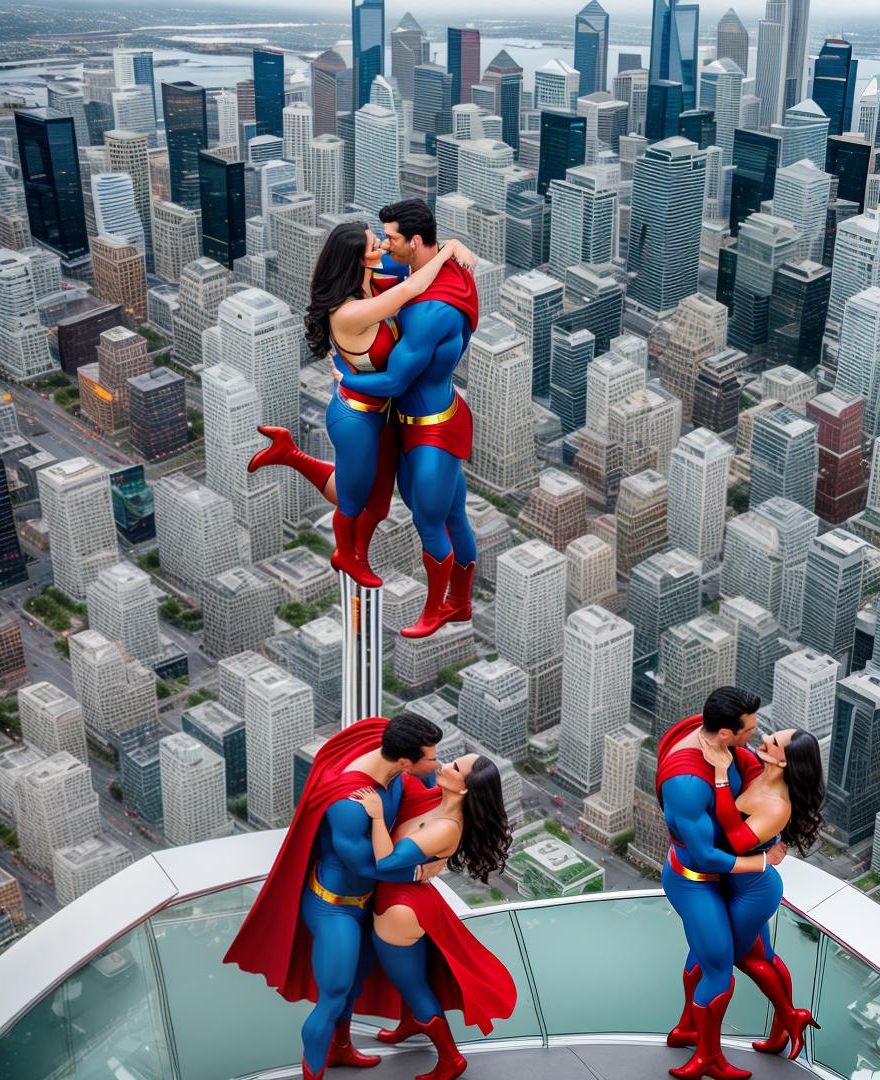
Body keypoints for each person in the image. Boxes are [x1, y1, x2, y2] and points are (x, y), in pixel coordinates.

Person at [247, 221, 475, 588]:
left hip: (381, 415)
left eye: (382, 241)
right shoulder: (349, 311)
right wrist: (451, 248)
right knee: (352, 501)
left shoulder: (368, 282)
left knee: (378, 504)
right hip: (355, 419)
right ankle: (346, 555)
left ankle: (290, 453)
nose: (382, 248)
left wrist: (449, 243)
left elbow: (416, 260)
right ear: (356, 258)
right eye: (374, 244)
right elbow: (414, 286)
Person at [223, 714, 448, 1080]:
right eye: (430, 758)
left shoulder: (391, 752)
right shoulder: (350, 802)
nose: (435, 764)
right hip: (333, 909)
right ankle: (314, 1072)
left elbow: (421, 779)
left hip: (365, 903)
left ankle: (341, 1050)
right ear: (405, 761)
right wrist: (417, 871)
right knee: (333, 997)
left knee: (354, 986)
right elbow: (362, 864)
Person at [329, 199, 480, 638]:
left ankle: (441, 609)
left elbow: (395, 381)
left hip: (431, 429)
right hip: (428, 416)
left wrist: (348, 381)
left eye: (392, 238)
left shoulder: (428, 311)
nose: (386, 246)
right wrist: (452, 246)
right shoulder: (439, 277)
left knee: (431, 519)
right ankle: (462, 601)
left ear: (414, 242)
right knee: (450, 515)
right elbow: (397, 278)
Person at [350, 754, 517, 1080]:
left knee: (412, 984)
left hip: (399, 908)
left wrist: (376, 816)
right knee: (409, 975)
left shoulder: (445, 827)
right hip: (407, 899)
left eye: (456, 768)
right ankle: (412, 1023)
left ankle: (451, 1059)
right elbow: (414, 770)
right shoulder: (441, 805)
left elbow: (385, 863)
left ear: (465, 789)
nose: (446, 765)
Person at [657, 688, 784, 1080]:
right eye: (748, 730)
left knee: (710, 955)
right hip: (695, 881)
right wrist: (762, 858)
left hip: (724, 880)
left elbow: (750, 772)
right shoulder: (686, 783)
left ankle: (688, 1028)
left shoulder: (709, 735)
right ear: (725, 733)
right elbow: (707, 855)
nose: (755, 735)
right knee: (718, 969)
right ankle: (708, 1058)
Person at [707, 727, 824, 1062]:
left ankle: (788, 1016)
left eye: (773, 742)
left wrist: (718, 778)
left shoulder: (777, 805)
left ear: (785, 761)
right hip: (745, 883)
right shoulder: (756, 771)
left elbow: (732, 842)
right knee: (764, 956)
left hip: (754, 890)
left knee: (738, 957)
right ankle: (784, 1027)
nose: (765, 740)